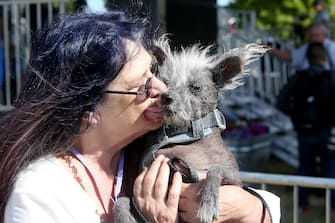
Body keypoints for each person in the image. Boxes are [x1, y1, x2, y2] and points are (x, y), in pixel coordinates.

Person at [0, 7, 280, 223]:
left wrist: (248, 207)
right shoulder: (41, 192)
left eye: (153, 73)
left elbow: (260, 206)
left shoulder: (144, 152)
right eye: (142, 85)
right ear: (89, 109)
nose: (162, 88)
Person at [276, 42, 335, 213]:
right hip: (326, 130)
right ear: (324, 58)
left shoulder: (299, 77)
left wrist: (295, 116)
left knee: (304, 166)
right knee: (329, 165)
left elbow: (281, 101)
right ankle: (332, 207)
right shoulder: (330, 77)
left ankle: (302, 204)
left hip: (304, 130)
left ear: (308, 59)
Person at [270, 23, 335, 71]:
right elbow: (291, 57)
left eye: (316, 35)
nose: (313, 38)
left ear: (324, 35)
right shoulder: (307, 47)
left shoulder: (332, 47)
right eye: (311, 36)